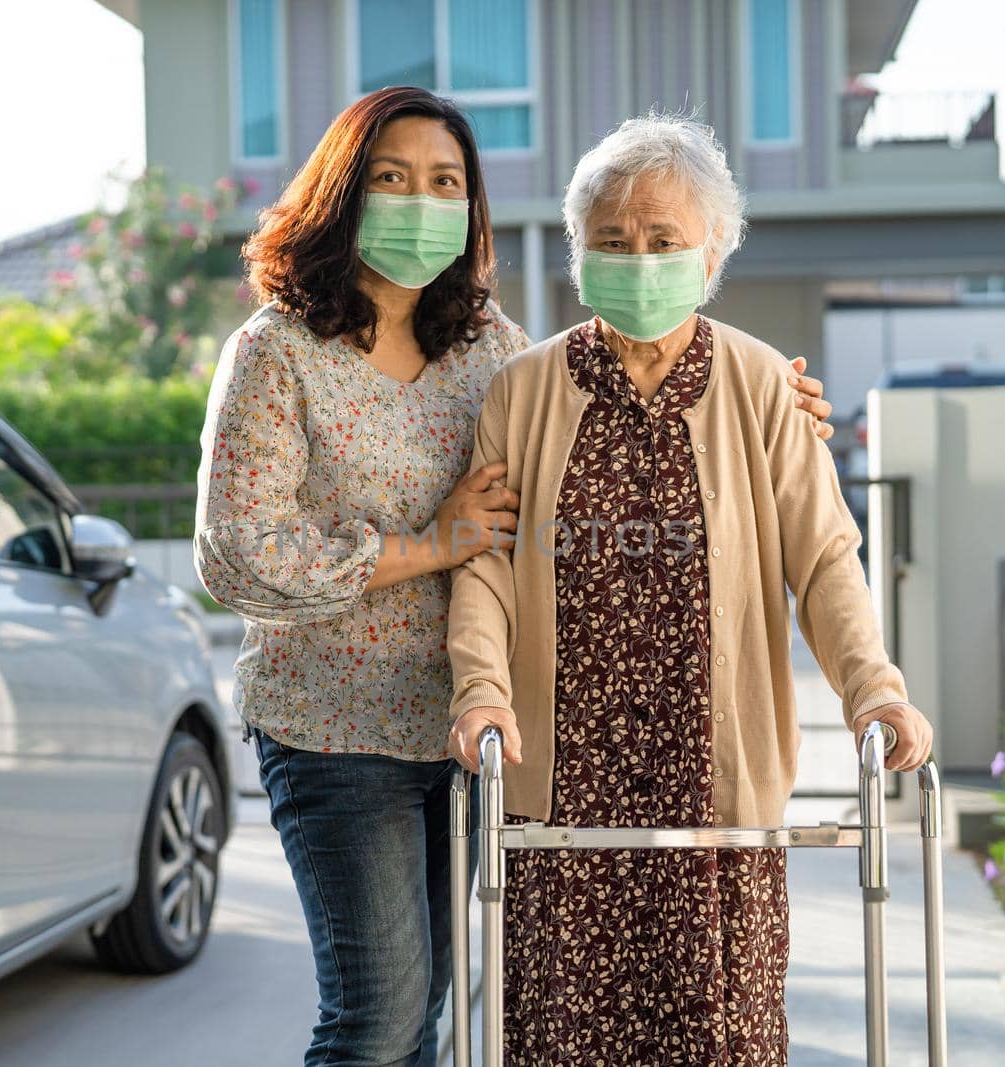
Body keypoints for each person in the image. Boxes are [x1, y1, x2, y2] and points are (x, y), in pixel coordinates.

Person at [195, 88, 834, 1067]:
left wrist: (763, 401)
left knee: (443, 1007)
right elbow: (236, 551)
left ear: (471, 202)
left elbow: (603, 393)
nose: (420, 199)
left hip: (475, 735)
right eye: (391, 178)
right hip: (337, 726)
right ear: (342, 193)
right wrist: (426, 545)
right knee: (377, 1015)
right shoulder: (277, 351)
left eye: (444, 181)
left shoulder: (483, 344)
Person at [446, 112, 934, 1065]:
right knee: (557, 1040)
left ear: (709, 252)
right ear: (579, 252)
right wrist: (482, 690)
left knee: (721, 1036)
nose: (638, 257)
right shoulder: (522, 390)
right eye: (613, 241)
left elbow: (825, 554)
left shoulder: (760, 383)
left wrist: (873, 684)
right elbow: (486, 568)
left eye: (663, 239)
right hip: (565, 796)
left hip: (714, 793)